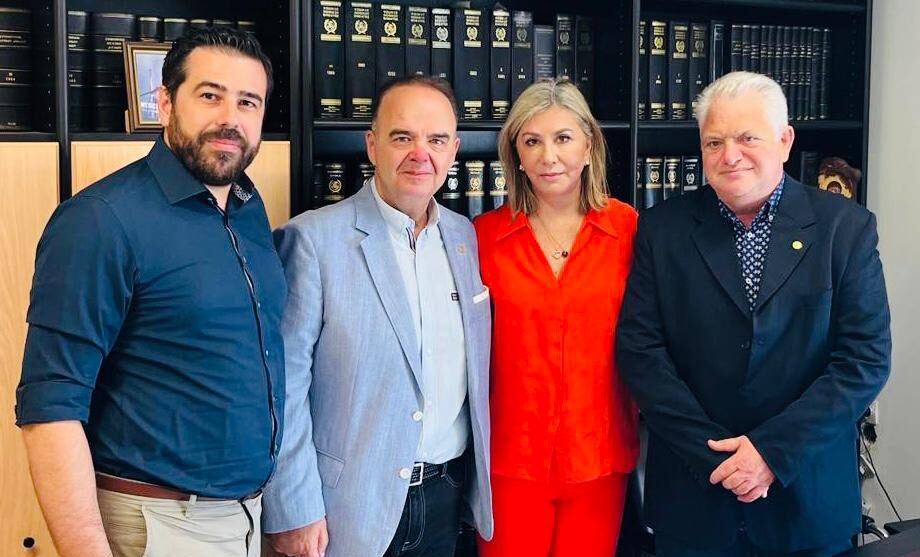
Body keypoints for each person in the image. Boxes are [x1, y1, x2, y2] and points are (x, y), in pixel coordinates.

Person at [15, 27, 284, 557]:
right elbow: (50, 406)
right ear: (164, 103)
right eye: (210, 95)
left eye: (247, 102)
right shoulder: (101, 220)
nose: (230, 118)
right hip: (156, 527)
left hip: (246, 519)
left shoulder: (247, 210)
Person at [616, 71, 891, 557]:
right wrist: (716, 459)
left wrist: (769, 453)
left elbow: (863, 360)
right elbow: (641, 353)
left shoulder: (844, 229)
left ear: (785, 141)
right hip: (695, 498)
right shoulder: (662, 229)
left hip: (806, 501)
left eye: (748, 138)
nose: (730, 155)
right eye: (714, 142)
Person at [262, 75, 493, 557]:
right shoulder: (312, 241)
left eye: (436, 140)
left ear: (453, 150)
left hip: (447, 495)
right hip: (345, 508)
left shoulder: (464, 237)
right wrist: (295, 508)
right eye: (402, 137)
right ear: (372, 145)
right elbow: (283, 388)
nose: (420, 154)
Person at [474, 77, 639, 557]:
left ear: (588, 146)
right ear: (516, 155)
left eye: (563, 138)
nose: (549, 156)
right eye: (532, 141)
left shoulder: (629, 229)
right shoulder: (481, 237)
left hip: (600, 457)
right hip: (510, 461)